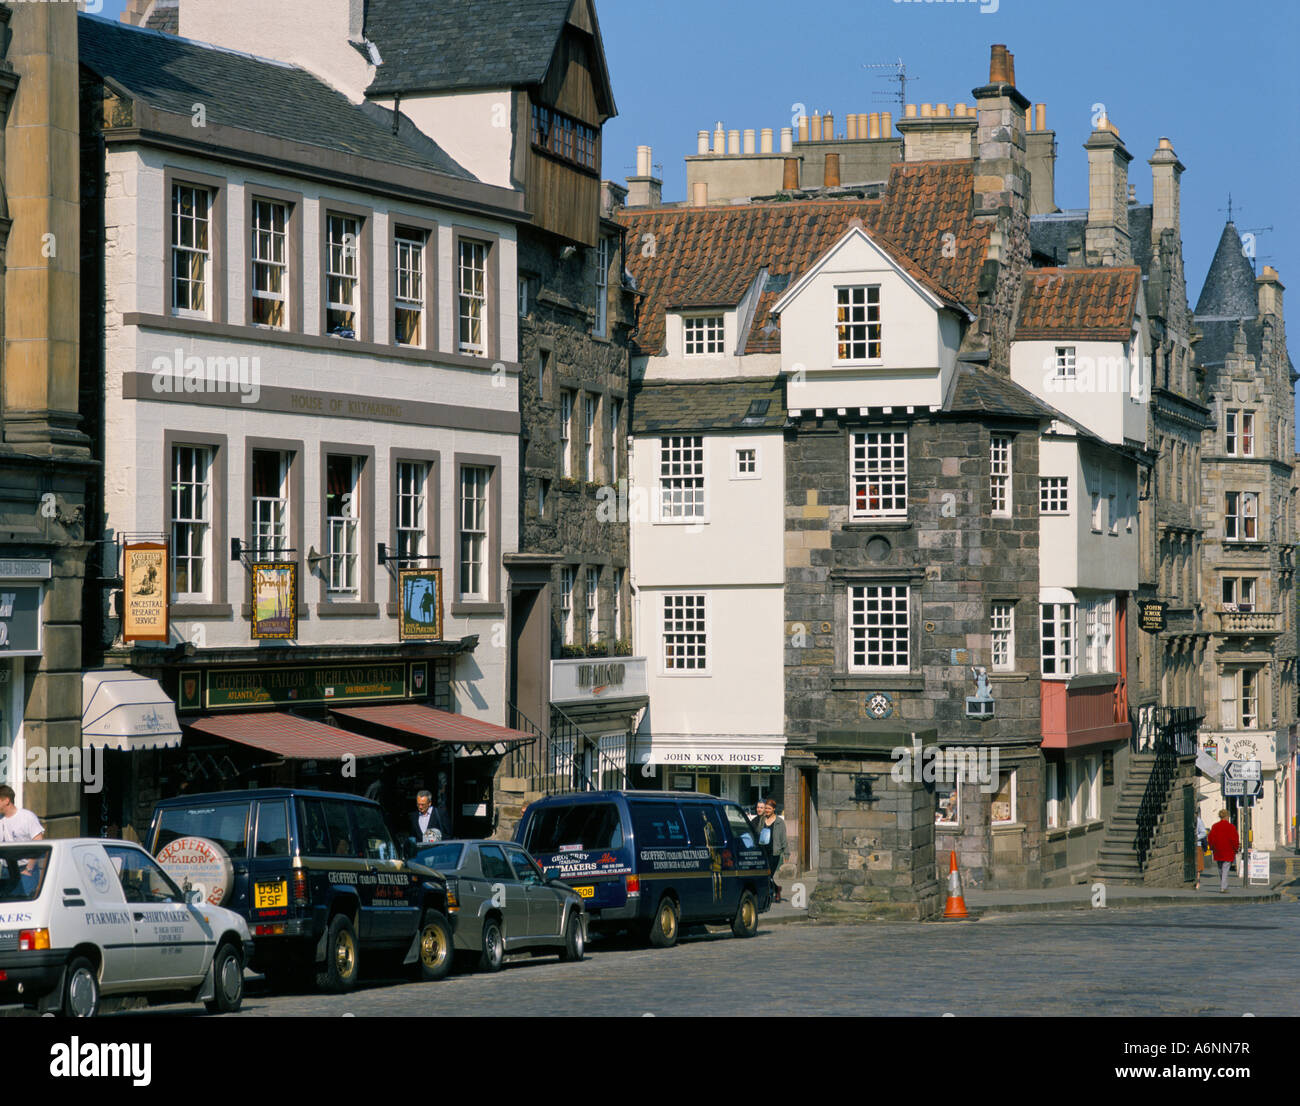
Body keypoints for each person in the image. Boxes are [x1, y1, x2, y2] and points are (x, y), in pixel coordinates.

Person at [756, 799, 788, 903]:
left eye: (769, 808)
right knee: (764, 874)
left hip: (774, 852)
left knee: (768, 874)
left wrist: (786, 853)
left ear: (774, 809)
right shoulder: (762, 819)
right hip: (763, 851)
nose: (767, 810)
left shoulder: (779, 822)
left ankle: (772, 892)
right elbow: (758, 833)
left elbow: (783, 838)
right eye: (766, 808)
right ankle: (776, 889)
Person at [1206, 809, 1240, 894]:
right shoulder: (1231, 827)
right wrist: (1236, 849)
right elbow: (1234, 839)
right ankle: (1223, 887)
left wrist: (1212, 848)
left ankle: (1223, 885)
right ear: (1227, 816)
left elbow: (1210, 838)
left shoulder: (1215, 826)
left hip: (1218, 851)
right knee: (1225, 869)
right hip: (1228, 851)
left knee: (1220, 869)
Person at [1194, 810, 1208, 890]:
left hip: (1198, 845)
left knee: (1198, 865)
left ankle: (1197, 881)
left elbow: (1203, 833)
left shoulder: (1198, 821)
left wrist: (1196, 838)